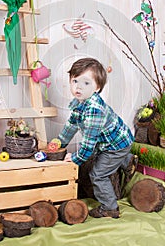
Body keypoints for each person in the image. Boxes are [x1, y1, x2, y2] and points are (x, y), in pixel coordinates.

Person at [54, 57, 138, 218]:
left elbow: (88, 146)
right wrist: (60, 142)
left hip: (116, 145)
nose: (78, 87)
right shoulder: (81, 102)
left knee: (97, 174)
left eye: (86, 83)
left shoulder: (94, 110)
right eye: (75, 81)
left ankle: (110, 207)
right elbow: (72, 125)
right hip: (111, 141)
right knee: (101, 159)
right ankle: (126, 161)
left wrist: (75, 159)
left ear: (97, 87)